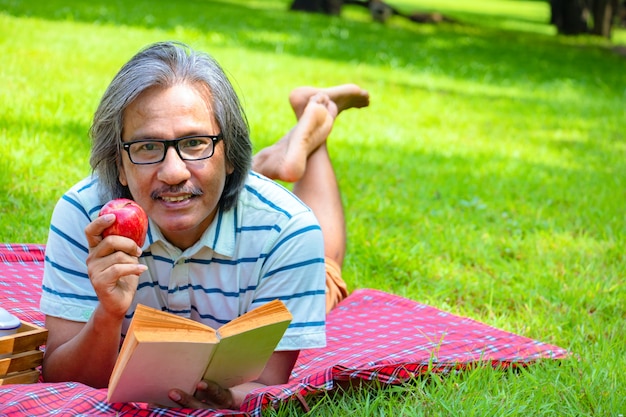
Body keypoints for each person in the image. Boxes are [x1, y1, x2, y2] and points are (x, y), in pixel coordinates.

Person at [39, 40, 369, 410]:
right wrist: (108, 313)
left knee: (327, 270)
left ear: (230, 153)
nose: (173, 171)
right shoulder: (86, 216)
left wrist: (229, 399)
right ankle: (262, 158)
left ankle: (315, 122)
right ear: (119, 163)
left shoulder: (287, 230)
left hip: (269, 231)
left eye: (196, 143)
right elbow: (59, 377)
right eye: (147, 147)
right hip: (219, 195)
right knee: (194, 190)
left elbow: (265, 384)